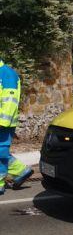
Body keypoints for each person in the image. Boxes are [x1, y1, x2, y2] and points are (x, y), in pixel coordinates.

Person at [0, 59, 32, 194]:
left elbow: (10, 102)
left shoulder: (6, 74)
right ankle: (21, 171)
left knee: (1, 151)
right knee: (1, 151)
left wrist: (2, 122)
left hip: (3, 122)